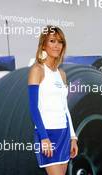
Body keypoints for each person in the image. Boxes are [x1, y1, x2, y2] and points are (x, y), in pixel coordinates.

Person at [28, 25, 78, 175]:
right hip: (47, 134)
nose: (57, 45)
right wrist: (44, 137)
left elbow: (65, 108)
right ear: (44, 44)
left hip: (64, 133)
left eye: (60, 41)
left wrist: (73, 137)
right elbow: (33, 107)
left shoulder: (61, 74)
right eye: (52, 41)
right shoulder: (37, 70)